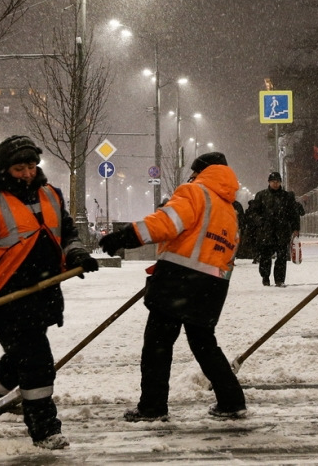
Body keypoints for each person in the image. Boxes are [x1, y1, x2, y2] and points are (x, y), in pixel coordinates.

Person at [0, 135, 99, 450]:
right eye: (19, 168)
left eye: (31, 166)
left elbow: (67, 233)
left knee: (20, 363)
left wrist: (77, 255)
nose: (28, 173)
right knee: (38, 363)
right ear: (5, 169)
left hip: (43, 296)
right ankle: (44, 430)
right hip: (6, 299)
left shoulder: (52, 196)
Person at [98, 152, 246, 422]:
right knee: (204, 344)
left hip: (179, 281)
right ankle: (232, 400)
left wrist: (127, 236)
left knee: (158, 343)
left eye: (194, 172)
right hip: (212, 286)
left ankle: (153, 407)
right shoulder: (229, 209)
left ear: (201, 172)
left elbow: (167, 223)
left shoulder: (194, 192)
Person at [251, 171, 300, 286]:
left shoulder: (287, 197)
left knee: (282, 257)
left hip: (282, 231)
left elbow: (293, 214)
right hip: (266, 232)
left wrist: (295, 228)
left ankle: (279, 279)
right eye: (273, 181)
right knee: (265, 257)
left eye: (277, 181)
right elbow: (253, 212)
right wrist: (260, 222)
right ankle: (265, 277)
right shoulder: (261, 195)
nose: (275, 184)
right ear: (269, 182)